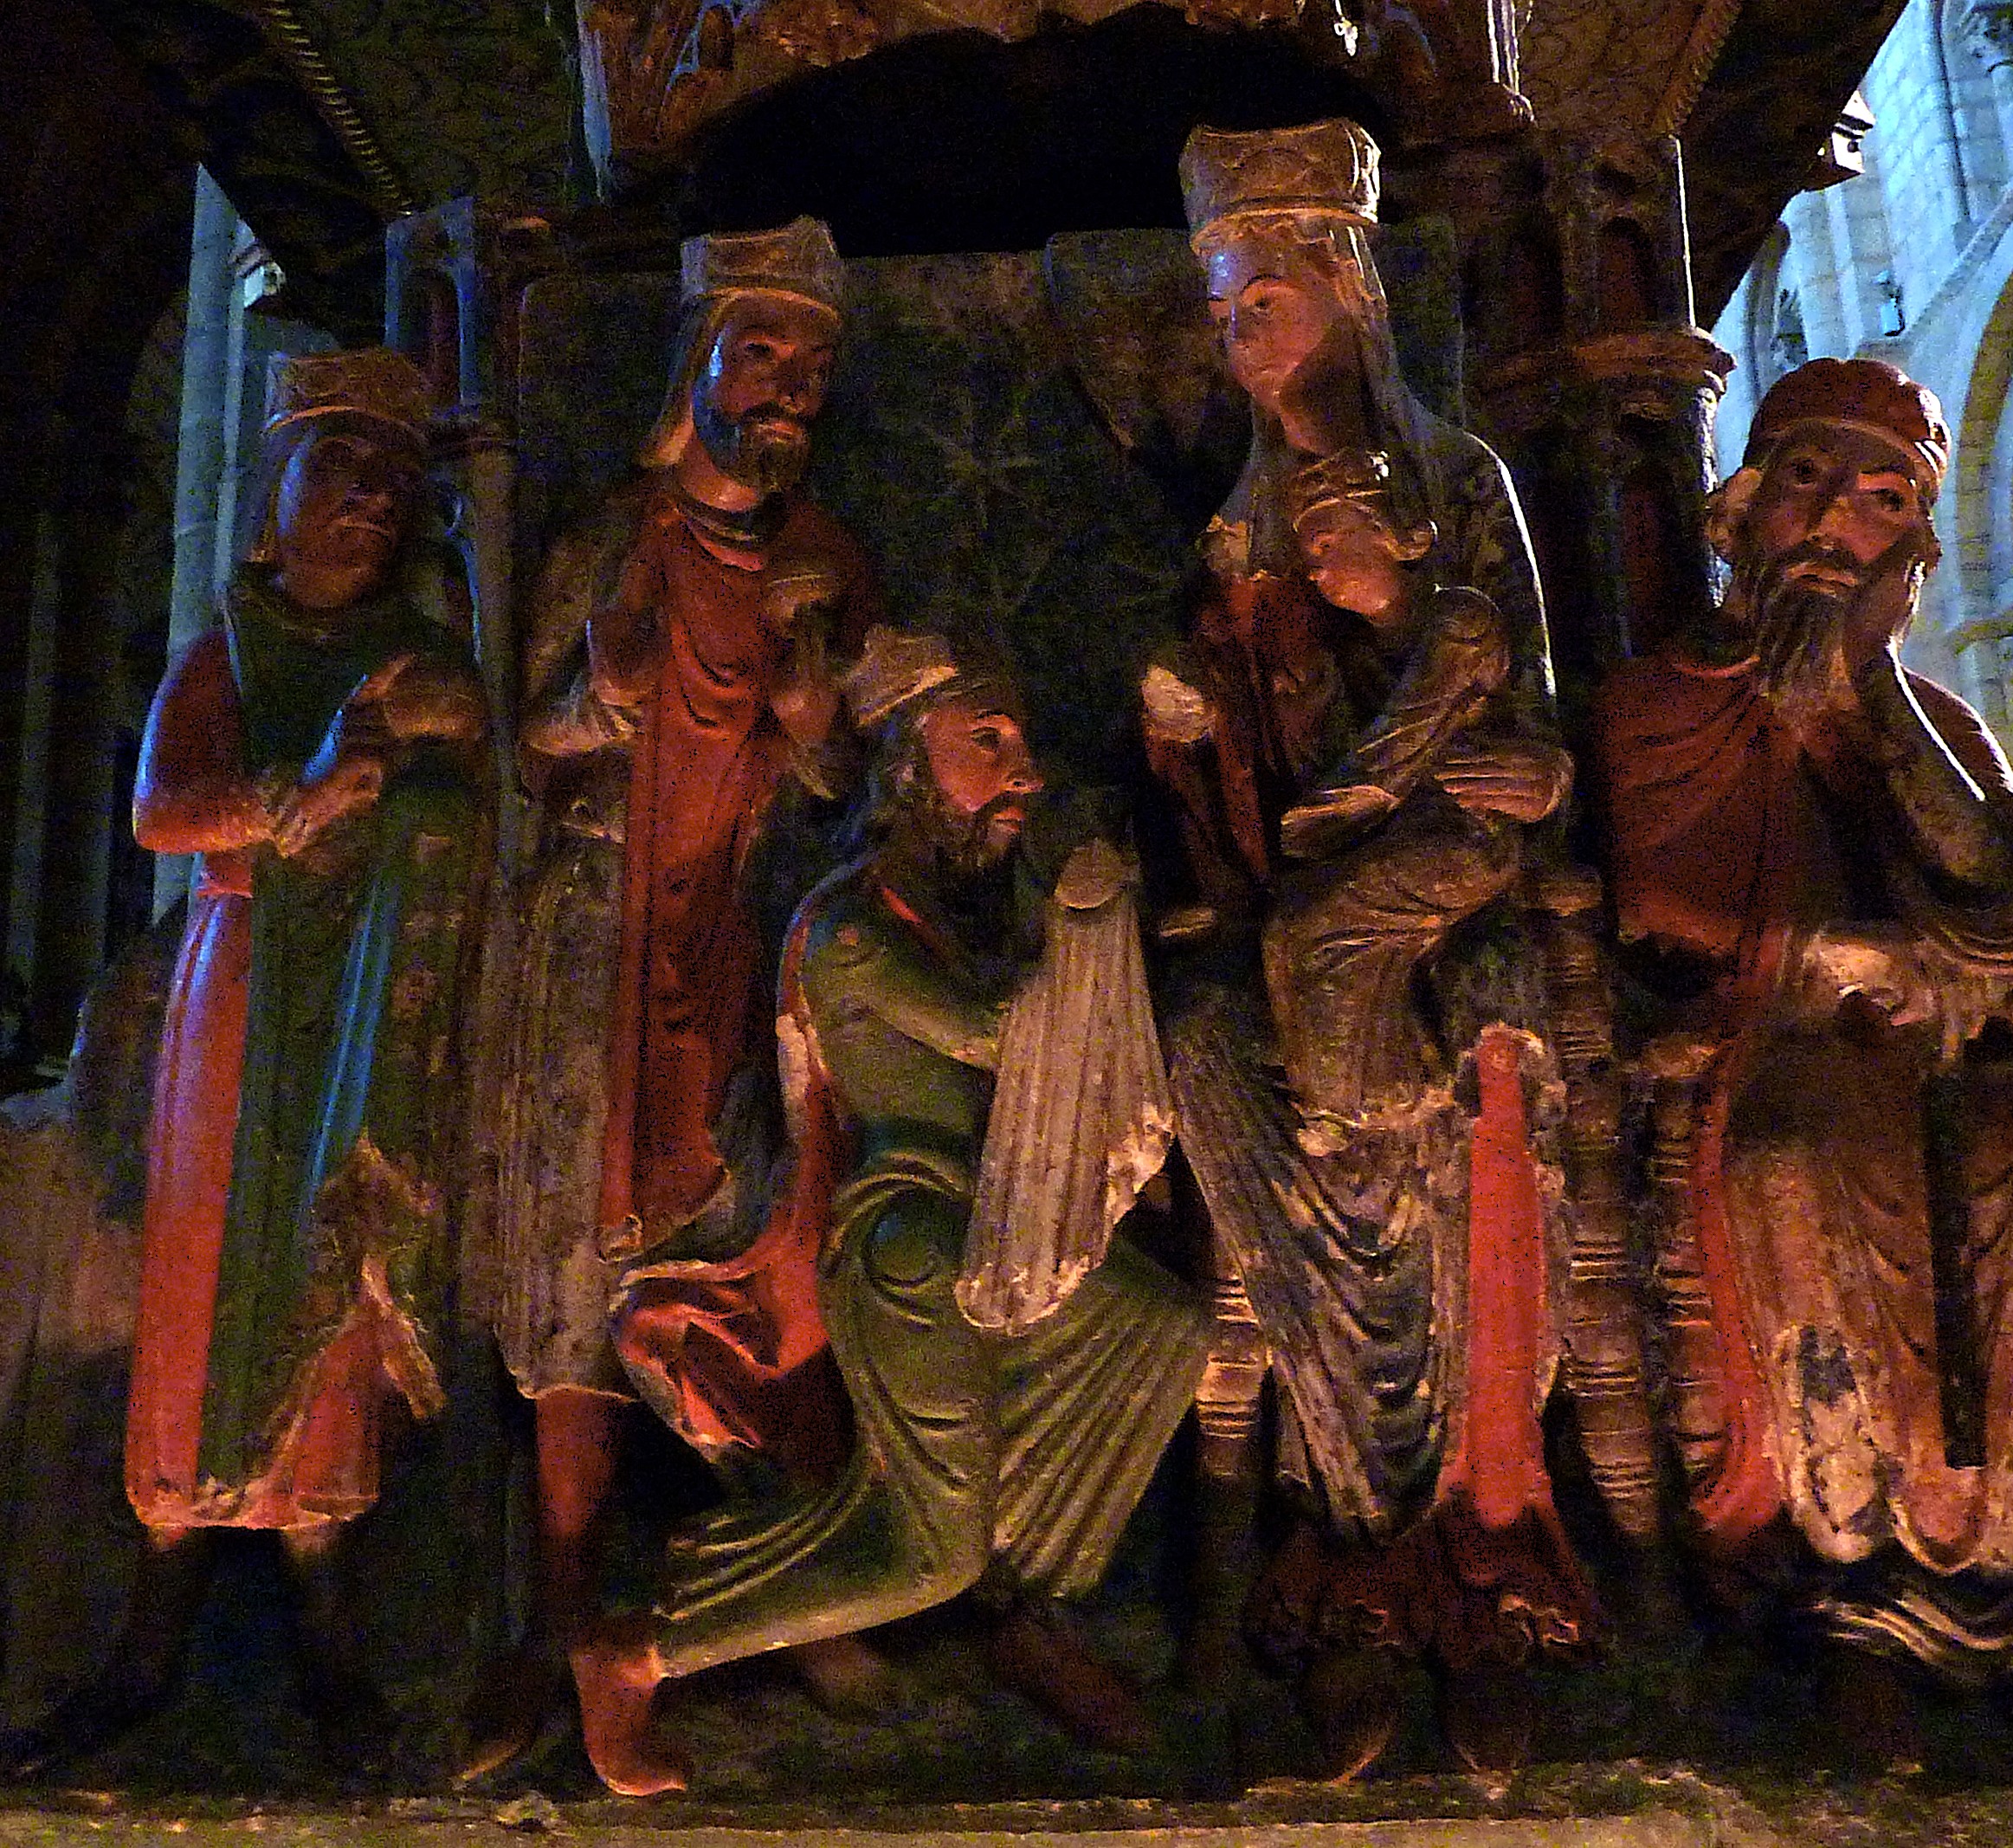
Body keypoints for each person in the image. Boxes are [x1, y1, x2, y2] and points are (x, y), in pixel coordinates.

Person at [1595, 356, 2013, 1766]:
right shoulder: (1661, 702)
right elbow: (1658, 903)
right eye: (1809, 481)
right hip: (1762, 1056)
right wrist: (1844, 960)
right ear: (1740, 512)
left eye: (1885, 499)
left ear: (1916, 554)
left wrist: (1872, 692)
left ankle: (2011, 1579)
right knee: (1804, 1157)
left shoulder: (1937, 723)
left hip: (1948, 1065)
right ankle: (1850, 1589)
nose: (1840, 521)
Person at [569, 630, 1210, 1797]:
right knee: (923, 1551)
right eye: (988, 740)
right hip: (910, 1242)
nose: (1022, 766)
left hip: (991, 1231)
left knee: (1161, 1325)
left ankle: (1016, 1593)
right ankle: (641, 1653)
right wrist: (1087, 917)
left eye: (1021, 739)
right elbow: (1004, 1037)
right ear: (912, 764)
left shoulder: (948, 917)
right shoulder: (851, 930)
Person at [1151, 118, 1592, 1777]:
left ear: (1346, 284)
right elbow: (1227, 760)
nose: (1239, 335)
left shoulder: (1457, 484)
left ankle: (1486, 1552)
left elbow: (1527, 710)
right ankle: (1350, 1548)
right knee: (1213, 1047)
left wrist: (1533, 766)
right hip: (1295, 901)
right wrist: (1180, 724)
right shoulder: (1232, 531)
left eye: (1263, 298)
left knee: (1482, 1035)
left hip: (1450, 899)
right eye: (1219, 310)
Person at [3, 349, 486, 1777]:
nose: (369, 501)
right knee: (205, 1276)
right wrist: (299, 794)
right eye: (340, 468)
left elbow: (466, 810)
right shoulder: (228, 652)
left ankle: (327, 1618)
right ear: (274, 493)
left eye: (393, 483)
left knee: (333, 1271)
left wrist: (410, 782)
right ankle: (152, 1627)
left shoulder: (419, 665)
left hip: (363, 1012)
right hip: (238, 993)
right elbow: (162, 811)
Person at [472, 216, 880, 1776]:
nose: (785, 391)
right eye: (759, 353)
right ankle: (564, 1599)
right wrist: (598, 699)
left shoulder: (822, 561)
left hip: (743, 905)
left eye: (810, 369)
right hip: (598, 910)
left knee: (752, 1227)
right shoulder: (611, 538)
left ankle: (789, 1568)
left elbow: (850, 777)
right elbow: (528, 748)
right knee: (574, 1236)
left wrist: (814, 715)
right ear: (697, 364)